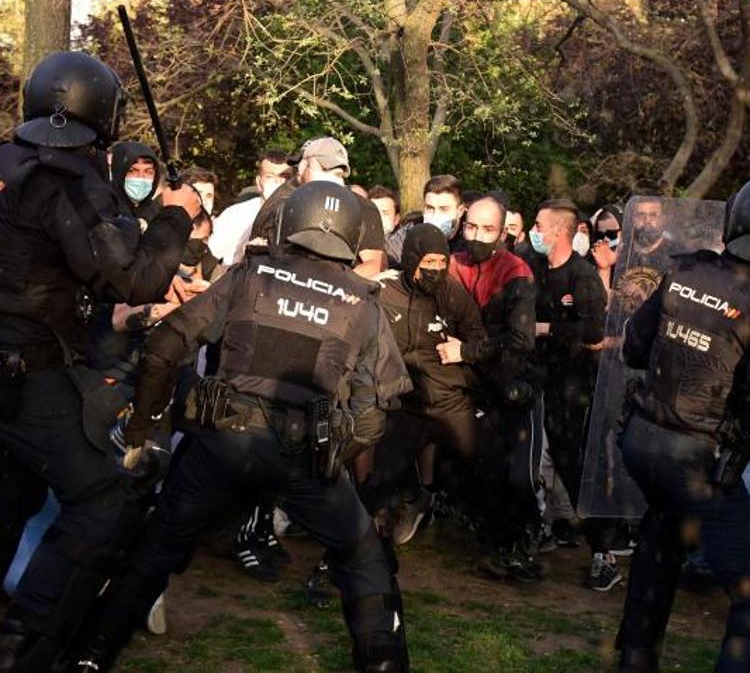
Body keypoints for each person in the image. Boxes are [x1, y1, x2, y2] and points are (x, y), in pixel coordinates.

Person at [70, 182, 412, 672]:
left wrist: (142, 426)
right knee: (362, 557)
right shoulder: (362, 301)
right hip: (303, 454)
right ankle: (383, 664)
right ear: (353, 235)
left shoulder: (248, 276)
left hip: (221, 444)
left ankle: (90, 656)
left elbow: (165, 347)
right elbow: (374, 408)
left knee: (155, 548)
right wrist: (332, 453)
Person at [0, 51, 202, 670]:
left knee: (12, 488)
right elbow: (134, 278)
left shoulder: (7, 159)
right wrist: (177, 214)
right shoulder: (71, 178)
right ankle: (27, 638)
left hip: (23, 367)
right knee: (108, 492)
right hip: (24, 371)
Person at [614, 186, 750, 672]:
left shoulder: (684, 270)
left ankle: (635, 656)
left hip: (642, 439)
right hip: (697, 455)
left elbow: (633, 347)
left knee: (662, 538)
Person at [437, 197, 542, 580]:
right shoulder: (454, 261)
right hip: (473, 385)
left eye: (487, 230)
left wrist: (465, 349)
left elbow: (520, 339)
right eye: (471, 228)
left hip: (513, 387)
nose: (477, 236)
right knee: (479, 464)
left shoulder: (517, 273)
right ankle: (495, 539)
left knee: (516, 473)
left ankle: (526, 542)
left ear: (503, 233)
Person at [369, 224, 485, 544]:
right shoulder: (384, 291)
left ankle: (503, 535)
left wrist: (463, 350)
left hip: (450, 399)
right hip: (406, 403)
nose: (434, 270)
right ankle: (402, 506)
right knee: (379, 475)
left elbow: (479, 338)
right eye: (428, 262)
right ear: (411, 259)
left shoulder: (452, 293)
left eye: (440, 263)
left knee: (485, 461)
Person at [527, 199, 616, 590]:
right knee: (528, 457)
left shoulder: (581, 276)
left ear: (561, 231)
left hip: (572, 386)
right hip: (536, 379)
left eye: (540, 225)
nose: (535, 232)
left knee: (571, 464)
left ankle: (603, 549)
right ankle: (533, 530)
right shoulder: (534, 269)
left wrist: (547, 329)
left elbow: (593, 331)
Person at [292, 137, 386, 277]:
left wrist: (335, 286)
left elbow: (373, 265)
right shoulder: (287, 201)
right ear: (302, 168)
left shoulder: (364, 208)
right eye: (324, 169)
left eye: (338, 173)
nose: (333, 178)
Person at [208, 150, 291, 266]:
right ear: (258, 182)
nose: (278, 182)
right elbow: (210, 259)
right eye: (270, 176)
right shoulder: (234, 214)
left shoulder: (298, 216)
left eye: (285, 177)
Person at [109, 141, 161, 227]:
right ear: (119, 172)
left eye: (148, 172)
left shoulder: (157, 214)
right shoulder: (104, 210)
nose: (141, 177)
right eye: (132, 171)